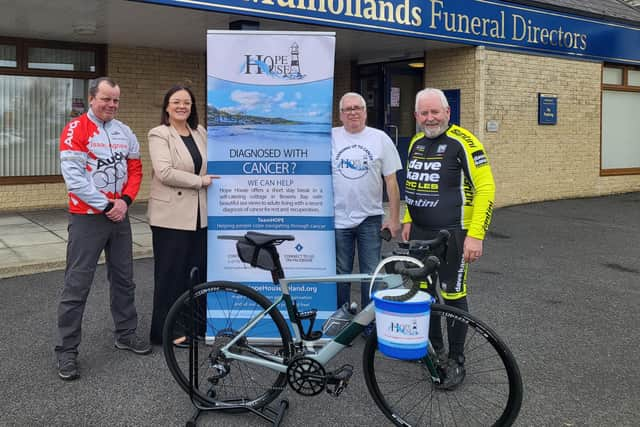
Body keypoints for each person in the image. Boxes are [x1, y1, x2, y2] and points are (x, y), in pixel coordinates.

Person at [56, 77, 150, 381]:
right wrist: (107, 205)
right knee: (77, 284)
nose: (111, 105)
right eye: (105, 99)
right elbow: (74, 179)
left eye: (116, 100)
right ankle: (67, 350)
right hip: (87, 217)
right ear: (92, 98)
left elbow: (135, 169)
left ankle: (126, 333)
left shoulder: (125, 132)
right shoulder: (75, 130)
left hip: (119, 215)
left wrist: (124, 201)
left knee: (124, 279)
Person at [402, 88, 496, 389]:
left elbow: (486, 188)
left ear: (447, 113)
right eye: (424, 113)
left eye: (435, 112)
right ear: (416, 116)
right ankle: (434, 351)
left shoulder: (464, 142)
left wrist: (476, 235)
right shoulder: (415, 141)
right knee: (424, 295)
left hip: (453, 234)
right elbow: (412, 183)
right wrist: (406, 217)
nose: (430, 118)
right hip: (419, 234)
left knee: (453, 296)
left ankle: (456, 359)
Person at [147, 85, 218, 346]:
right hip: (170, 217)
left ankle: (194, 326)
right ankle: (167, 332)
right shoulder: (159, 134)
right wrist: (200, 181)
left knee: (196, 273)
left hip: (199, 216)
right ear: (167, 106)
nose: (182, 106)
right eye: (176, 102)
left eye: (187, 102)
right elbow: (164, 172)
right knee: (171, 275)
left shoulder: (200, 132)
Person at [331, 92, 402, 329]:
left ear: (365, 111)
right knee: (341, 271)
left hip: (370, 218)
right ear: (340, 114)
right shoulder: (330, 137)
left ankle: (367, 323)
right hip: (338, 217)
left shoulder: (379, 138)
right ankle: (342, 318)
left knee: (370, 272)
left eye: (357, 108)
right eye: (348, 109)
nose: (353, 112)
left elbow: (391, 182)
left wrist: (394, 219)